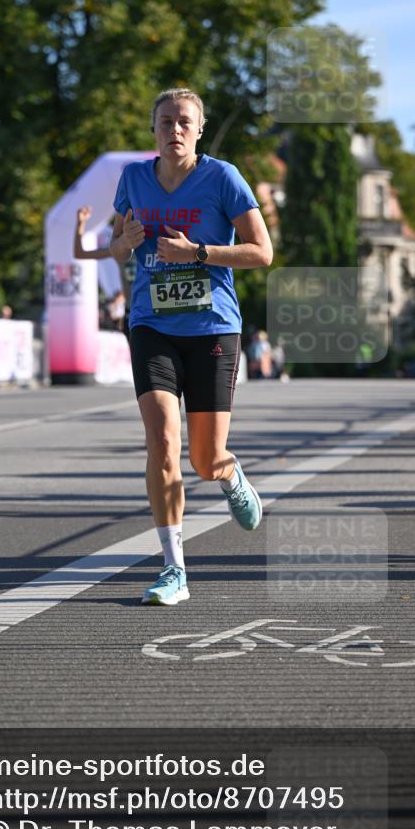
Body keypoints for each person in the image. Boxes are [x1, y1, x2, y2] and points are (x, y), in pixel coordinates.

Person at [110, 88, 273, 605]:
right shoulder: (133, 178)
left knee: (204, 458)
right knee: (160, 442)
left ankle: (229, 474)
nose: (174, 130)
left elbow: (262, 252)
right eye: (165, 122)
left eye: (184, 122)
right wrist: (126, 242)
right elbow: (116, 245)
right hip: (151, 324)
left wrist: (198, 251)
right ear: (153, 129)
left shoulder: (222, 178)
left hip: (212, 330)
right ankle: (173, 570)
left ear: (198, 130)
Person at [73, 204, 135, 338]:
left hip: (156, 314)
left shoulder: (155, 245)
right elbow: (80, 254)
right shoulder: (120, 249)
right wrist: (80, 224)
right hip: (132, 315)